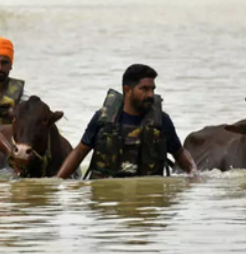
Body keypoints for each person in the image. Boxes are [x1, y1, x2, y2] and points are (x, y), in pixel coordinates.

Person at [55, 64, 198, 179]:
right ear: (127, 90)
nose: (150, 94)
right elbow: (80, 152)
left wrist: (194, 175)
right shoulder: (103, 119)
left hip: (147, 198)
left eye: (152, 89)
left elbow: (179, 153)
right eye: (144, 89)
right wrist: (57, 182)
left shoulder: (162, 121)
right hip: (108, 200)